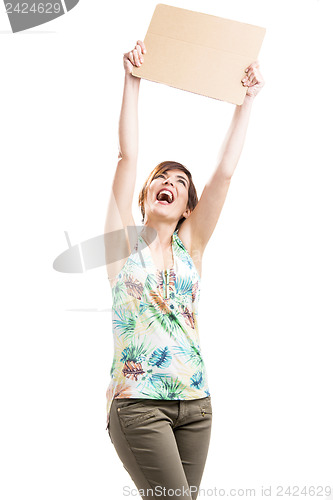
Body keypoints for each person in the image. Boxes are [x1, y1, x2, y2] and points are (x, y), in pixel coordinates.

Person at [104, 39, 264, 500]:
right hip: (138, 405)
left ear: (187, 208)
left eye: (179, 183)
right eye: (161, 178)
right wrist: (132, 80)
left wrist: (247, 101)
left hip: (197, 405)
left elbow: (225, 172)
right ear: (146, 195)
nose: (168, 184)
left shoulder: (192, 246)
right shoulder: (119, 245)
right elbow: (126, 156)